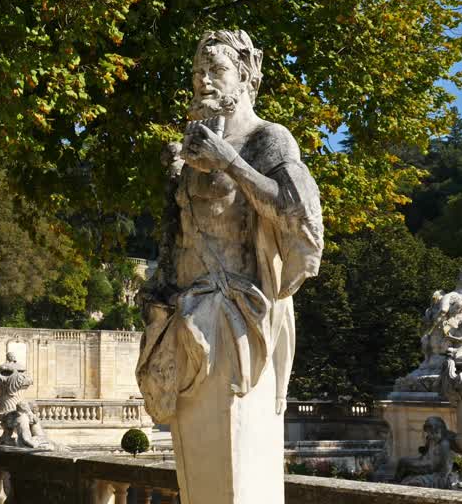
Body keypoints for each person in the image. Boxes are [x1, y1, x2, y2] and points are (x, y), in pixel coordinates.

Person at [136, 30, 324, 504]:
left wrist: (231, 161)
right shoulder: (192, 144)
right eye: (197, 72)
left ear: (246, 77)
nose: (202, 81)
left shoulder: (268, 139)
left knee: (235, 463)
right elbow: (178, 233)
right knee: (199, 465)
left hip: (238, 314)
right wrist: (160, 288)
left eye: (215, 70)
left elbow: (298, 214)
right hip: (185, 311)